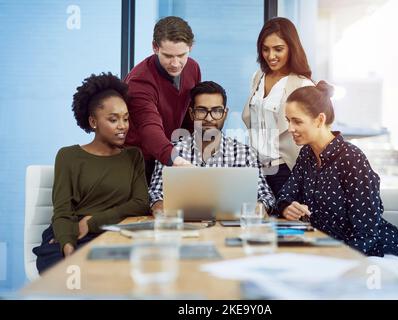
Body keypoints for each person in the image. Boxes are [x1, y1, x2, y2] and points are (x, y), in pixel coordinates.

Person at [276, 81, 398, 282]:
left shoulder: (351, 158)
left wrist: (333, 263)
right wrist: (286, 207)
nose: (290, 128)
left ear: (319, 120)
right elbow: (285, 194)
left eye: (297, 121)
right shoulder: (307, 154)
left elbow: (366, 233)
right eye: (288, 120)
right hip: (336, 254)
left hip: (377, 256)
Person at [33, 73, 150, 274]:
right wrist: (68, 245)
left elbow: (140, 203)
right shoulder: (68, 156)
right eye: (113, 120)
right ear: (93, 121)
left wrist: (93, 221)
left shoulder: (133, 156)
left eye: (126, 118)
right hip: (72, 232)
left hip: (112, 232)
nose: (123, 126)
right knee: (68, 272)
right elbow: (62, 211)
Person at [150, 81, 275, 214]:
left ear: (225, 114)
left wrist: (259, 207)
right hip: (185, 227)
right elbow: (155, 193)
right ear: (192, 114)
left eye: (216, 111)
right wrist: (159, 206)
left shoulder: (244, 153)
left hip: (231, 229)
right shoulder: (172, 152)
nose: (209, 118)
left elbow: (266, 196)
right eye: (202, 111)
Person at [242, 17, 314, 197]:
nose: (271, 56)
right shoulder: (258, 77)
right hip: (257, 170)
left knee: (284, 223)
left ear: (292, 48)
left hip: (286, 170)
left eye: (278, 49)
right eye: (265, 49)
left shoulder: (302, 85)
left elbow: (310, 136)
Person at [124, 16, 201, 184]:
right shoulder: (139, 80)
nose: (175, 63)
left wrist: (188, 152)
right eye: (168, 56)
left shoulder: (193, 68)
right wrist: (177, 160)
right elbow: (149, 127)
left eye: (181, 55)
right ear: (155, 47)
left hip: (172, 155)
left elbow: (190, 118)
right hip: (138, 162)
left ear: (191, 48)